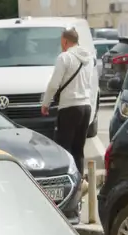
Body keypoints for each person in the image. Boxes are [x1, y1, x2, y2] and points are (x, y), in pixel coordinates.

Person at [39, 27, 96, 171]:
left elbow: (53, 85)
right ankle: (81, 181)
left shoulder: (64, 58)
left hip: (69, 107)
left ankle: (68, 181)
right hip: (85, 107)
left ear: (65, 41)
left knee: (64, 149)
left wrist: (45, 103)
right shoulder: (88, 59)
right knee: (78, 150)